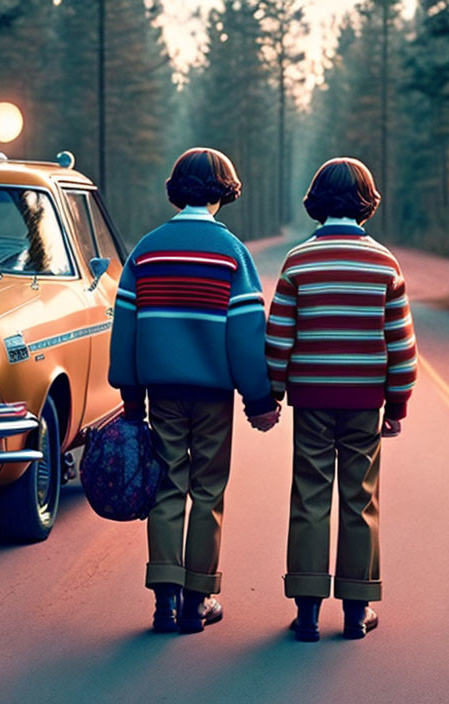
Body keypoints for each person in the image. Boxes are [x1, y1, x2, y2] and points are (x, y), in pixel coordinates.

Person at [109, 147, 280, 635]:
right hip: (212, 397)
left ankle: (163, 603)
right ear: (225, 193)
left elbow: (125, 327)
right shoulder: (232, 253)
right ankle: (196, 601)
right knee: (207, 490)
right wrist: (259, 400)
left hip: (161, 393)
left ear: (175, 190)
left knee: (167, 486)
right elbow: (246, 334)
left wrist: (130, 394)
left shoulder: (147, 249)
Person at [265, 157, 417, 642]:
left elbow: (278, 338)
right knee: (360, 499)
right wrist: (396, 406)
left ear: (316, 202)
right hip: (364, 402)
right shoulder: (384, 263)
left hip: (310, 400)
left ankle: (307, 612)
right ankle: (356, 612)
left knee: (309, 496)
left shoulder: (298, 261)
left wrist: (273, 393)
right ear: (367, 204)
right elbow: (401, 345)